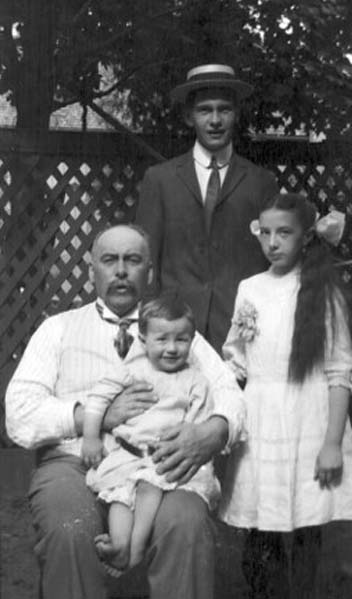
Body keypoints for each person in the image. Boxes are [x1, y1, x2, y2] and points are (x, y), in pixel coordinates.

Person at [5, 223, 246, 599]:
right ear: (92, 271)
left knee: (185, 524)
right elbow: (19, 413)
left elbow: (229, 392)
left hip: (160, 463)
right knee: (70, 526)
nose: (120, 271)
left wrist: (212, 431)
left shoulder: (175, 333)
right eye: (109, 260)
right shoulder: (58, 329)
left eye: (132, 260)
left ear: (148, 273)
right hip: (75, 461)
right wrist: (95, 417)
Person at [218, 193, 352, 599]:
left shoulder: (322, 291)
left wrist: (333, 444)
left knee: (305, 528)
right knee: (259, 527)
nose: (272, 243)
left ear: (305, 238)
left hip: (310, 421)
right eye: (265, 232)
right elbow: (236, 360)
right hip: (262, 418)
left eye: (283, 233)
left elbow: (340, 372)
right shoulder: (249, 288)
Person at [135, 63, 278, 353]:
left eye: (224, 109)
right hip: (175, 331)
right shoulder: (160, 180)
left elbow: (273, 262)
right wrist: (152, 327)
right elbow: (146, 262)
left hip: (241, 331)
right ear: (189, 116)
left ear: (236, 114)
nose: (215, 120)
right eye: (205, 110)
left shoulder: (261, 183)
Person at [82, 293, 220, 576]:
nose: (171, 348)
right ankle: (119, 545)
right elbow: (97, 399)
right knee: (119, 496)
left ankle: (136, 548)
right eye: (162, 339)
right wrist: (91, 437)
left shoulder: (195, 380)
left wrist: (184, 440)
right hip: (128, 455)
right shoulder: (132, 371)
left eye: (181, 339)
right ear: (143, 340)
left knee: (148, 487)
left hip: (162, 460)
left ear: (192, 341)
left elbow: (197, 422)